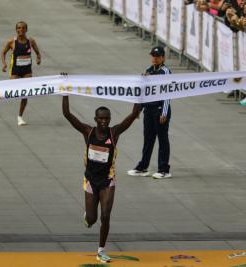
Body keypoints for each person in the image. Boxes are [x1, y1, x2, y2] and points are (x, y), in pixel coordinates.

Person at [62, 94, 141, 263]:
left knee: (105, 215)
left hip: (107, 180)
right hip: (90, 180)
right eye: (101, 119)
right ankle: (88, 217)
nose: (104, 121)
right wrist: (65, 92)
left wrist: (140, 90)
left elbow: (133, 115)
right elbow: (67, 114)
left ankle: (101, 250)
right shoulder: (87, 131)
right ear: (95, 119)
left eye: (107, 118)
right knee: (92, 219)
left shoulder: (114, 132)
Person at [127, 47, 172, 179]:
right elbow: (144, 91)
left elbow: (168, 93)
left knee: (162, 140)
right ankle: (143, 167)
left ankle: (164, 169)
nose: (154, 58)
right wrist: (138, 109)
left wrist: (164, 112)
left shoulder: (165, 72)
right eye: (153, 55)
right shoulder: (148, 70)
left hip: (159, 110)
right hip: (149, 110)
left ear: (163, 58)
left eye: (157, 56)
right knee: (148, 139)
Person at [1, 21, 41, 126]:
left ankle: (20, 116)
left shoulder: (31, 41)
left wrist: (38, 58)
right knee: (13, 90)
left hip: (27, 71)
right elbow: (3, 52)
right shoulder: (12, 42)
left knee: (25, 94)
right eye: (19, 28)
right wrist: (4, 64)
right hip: (15, 71)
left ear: (26, 30)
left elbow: (37, 52)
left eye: (23, 28)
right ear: (16, 30)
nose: (21, 30)